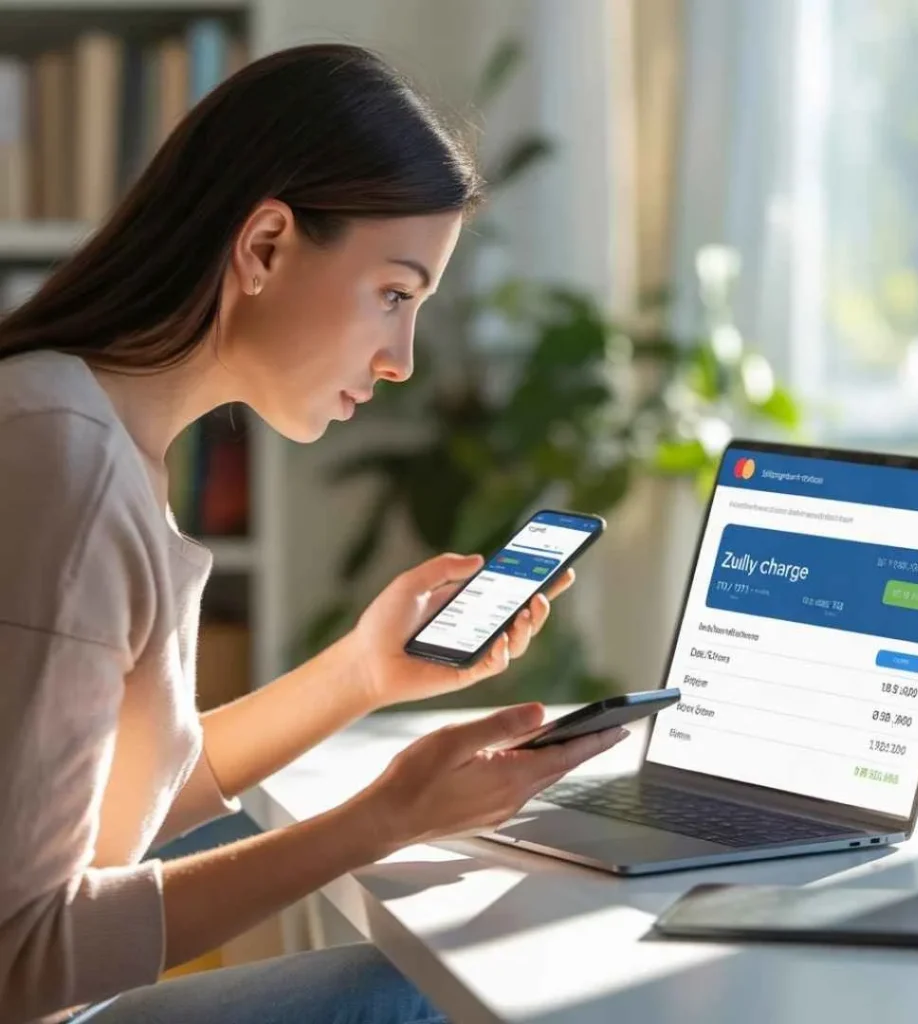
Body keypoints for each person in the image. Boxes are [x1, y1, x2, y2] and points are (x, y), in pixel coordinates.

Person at [0, 44, 626, 1024]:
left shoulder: (102, 442)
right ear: (263, 247)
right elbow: (19, 955)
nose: (400, 360)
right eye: (392, 294)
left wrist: (361, 674)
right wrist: (383, 818)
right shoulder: (61, 460)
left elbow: (104, 816)